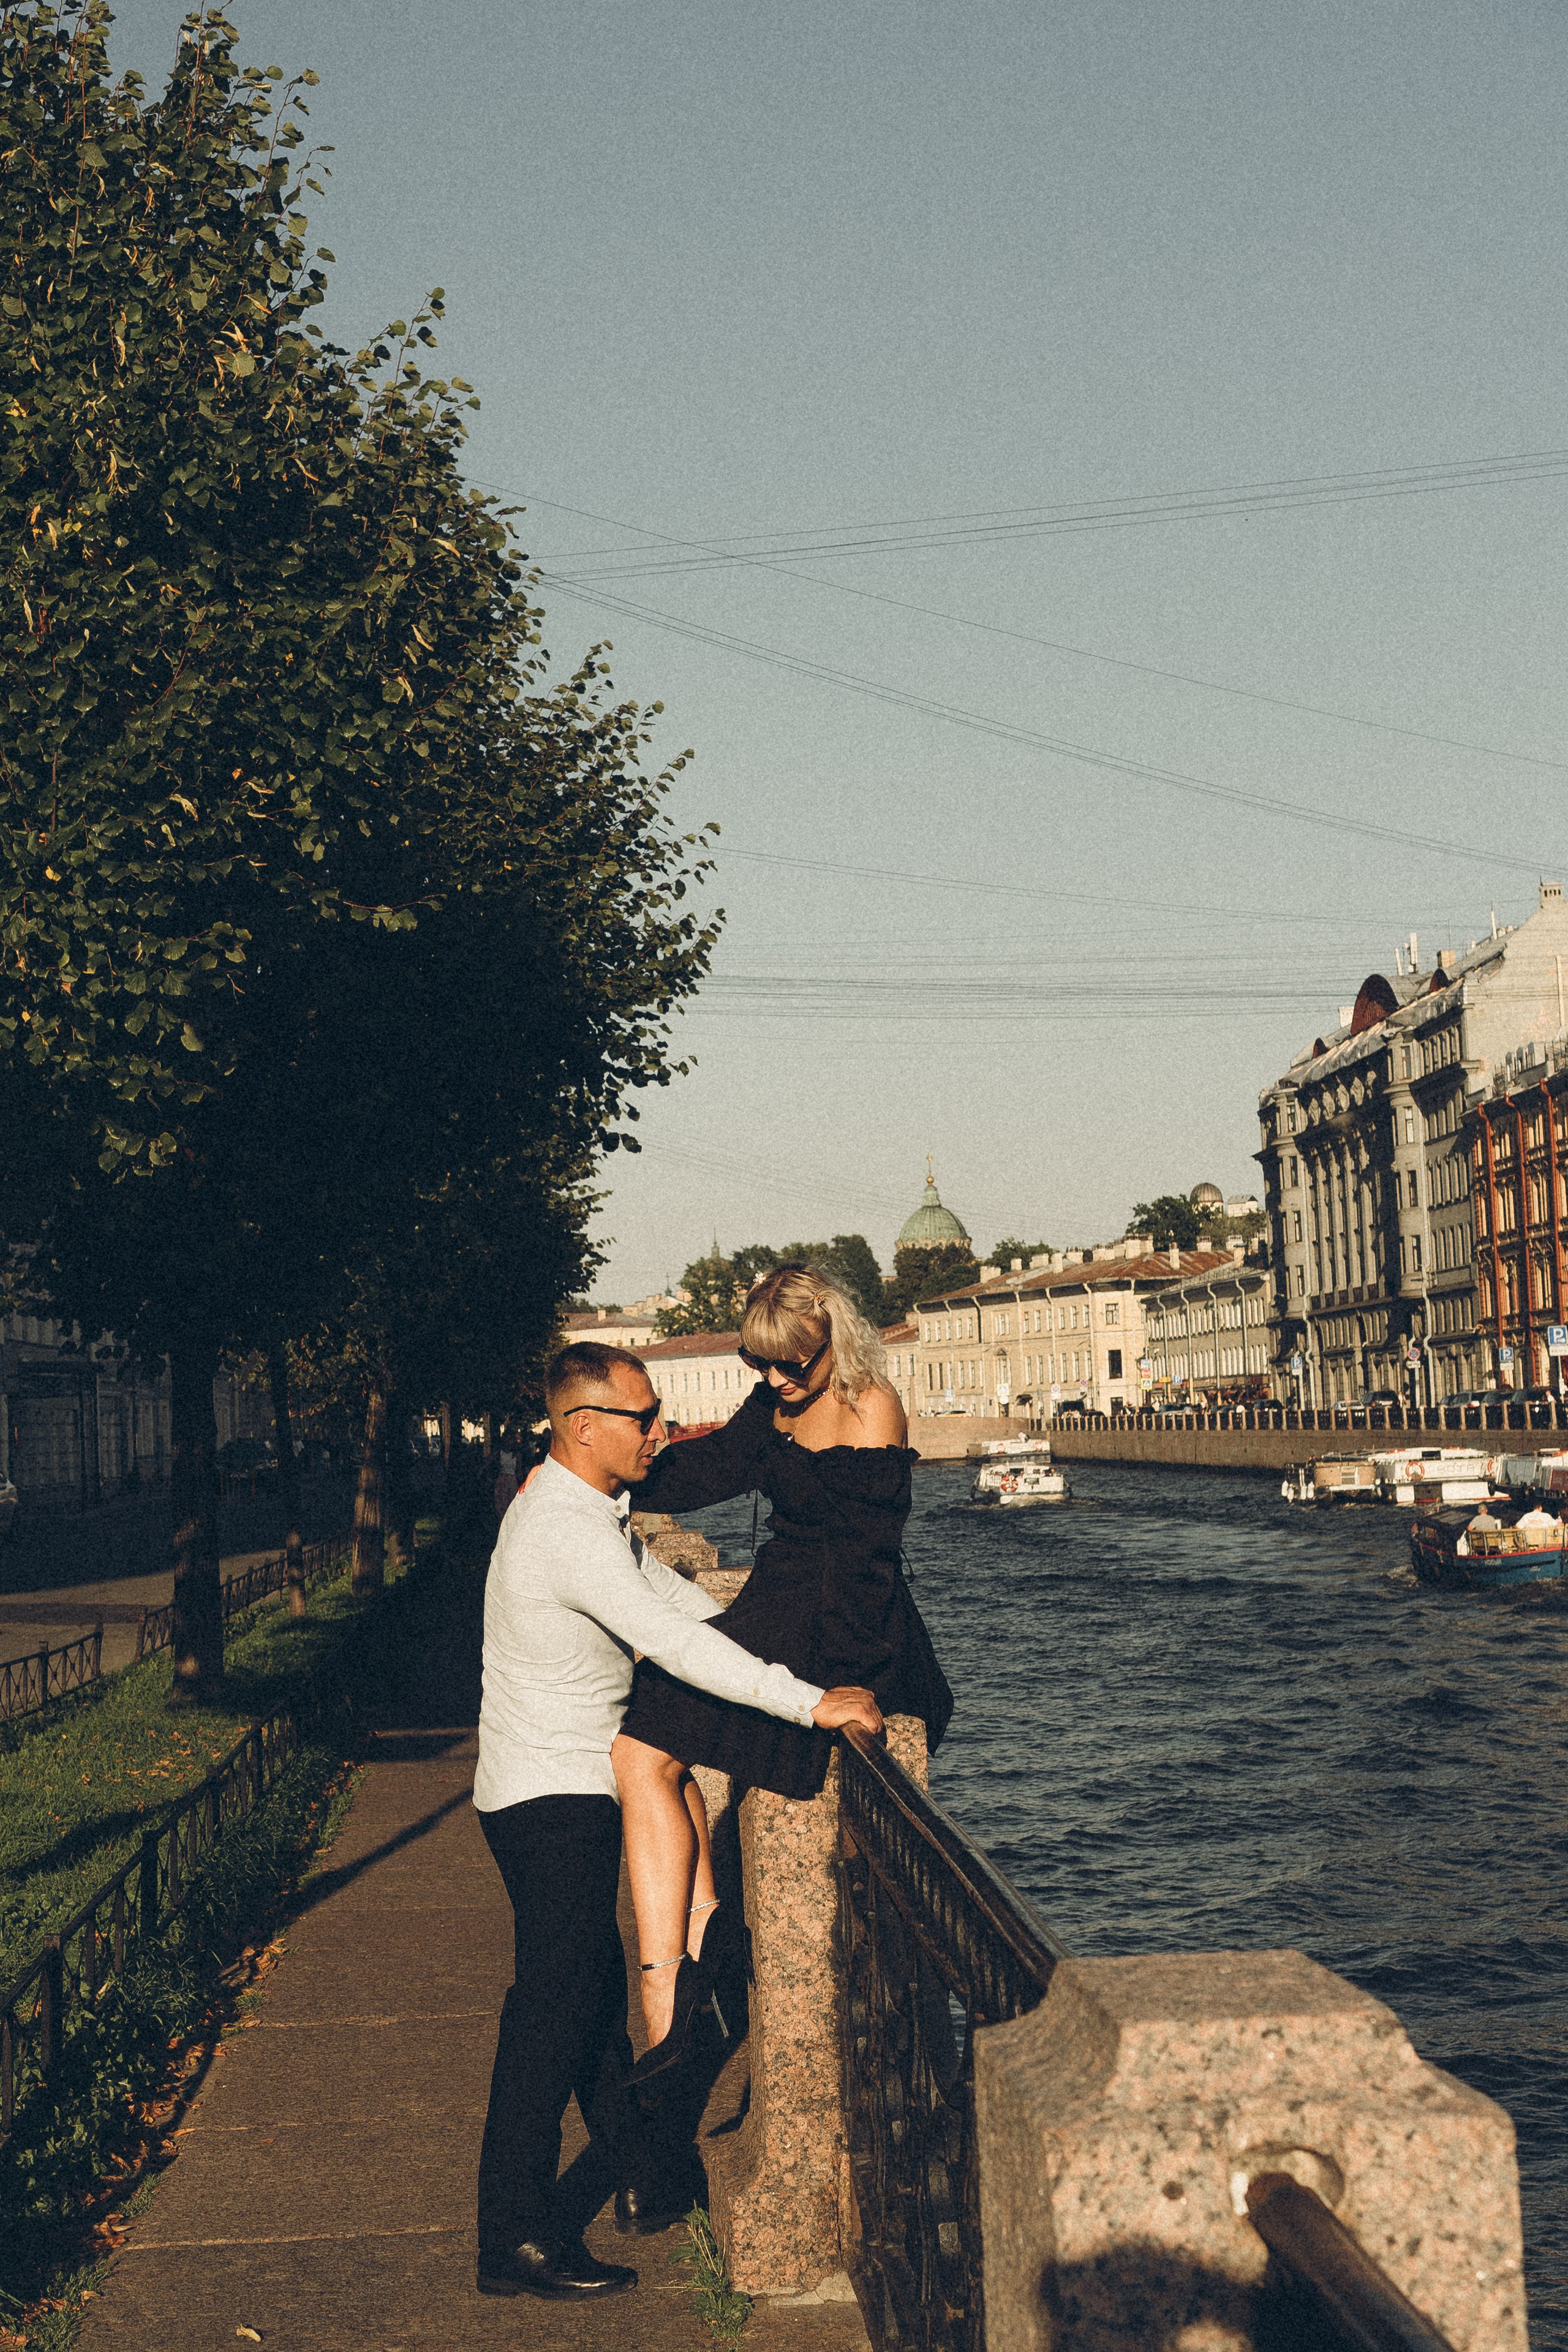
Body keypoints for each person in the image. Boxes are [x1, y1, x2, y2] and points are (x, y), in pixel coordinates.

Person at [472, 1340, 884, 2303]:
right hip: (551, 1799)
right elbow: (672, 1645)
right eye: (642, 1417)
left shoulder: (580, 1511)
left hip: (545, 1790)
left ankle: (646, 2173)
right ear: (584, 1428)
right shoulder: (566, 1533)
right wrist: (807, 1704)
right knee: (549, 2020)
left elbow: (683, 1607)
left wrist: (788, 1652)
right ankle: (514, 2238)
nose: (660, 1432)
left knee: (583, 2010)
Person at [612, 1264, 953, 2075]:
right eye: (757, 1363)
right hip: (778, 1602)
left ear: (835, 1340)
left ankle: (690, 1992)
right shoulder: (773, 1404)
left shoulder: (874, 1407)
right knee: (642, 1748)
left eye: (792, 1364)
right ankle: (676, 1986)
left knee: (658, 1746)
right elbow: (710, 1470)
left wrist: (841, 1683)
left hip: (846, 1625)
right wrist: (611, 1474)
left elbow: (870, 1561)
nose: (775, 1380)